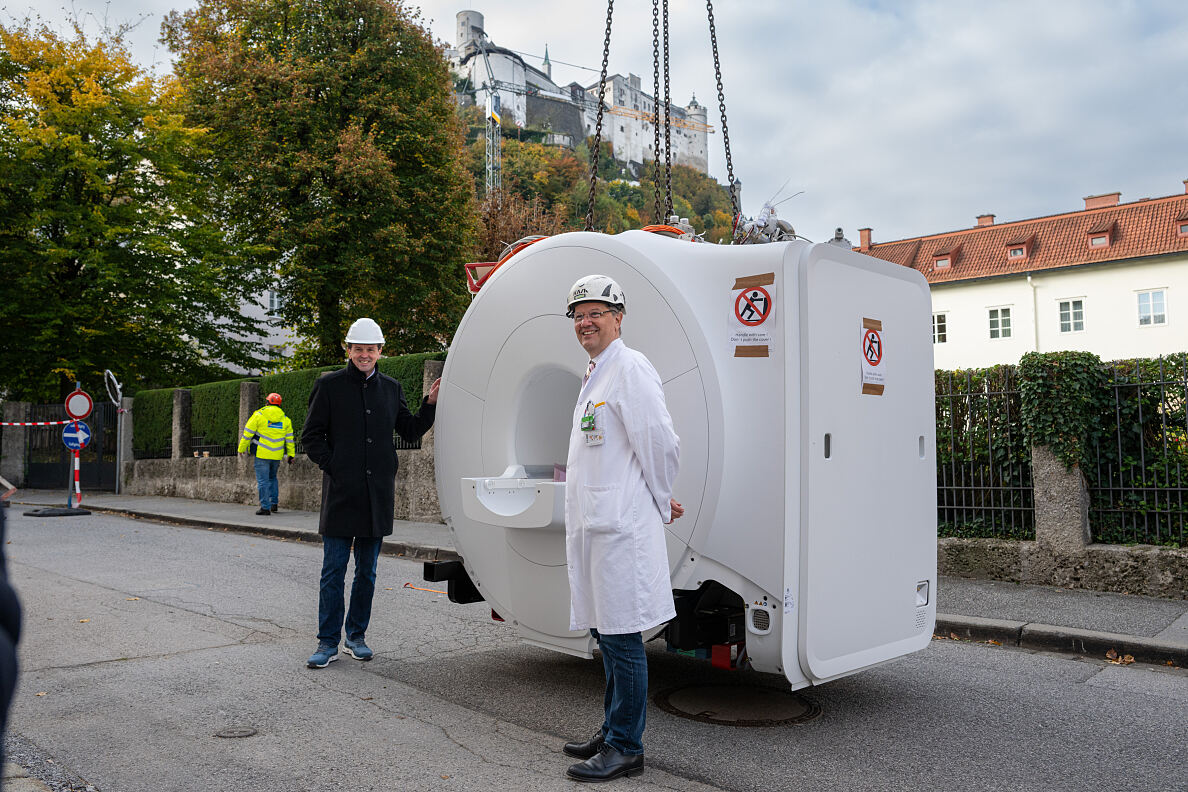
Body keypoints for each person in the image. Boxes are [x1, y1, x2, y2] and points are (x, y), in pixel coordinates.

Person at [560, 275, 683, 783]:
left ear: (618, 317)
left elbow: (659, 441)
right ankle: (612, 730)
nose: (586, 322)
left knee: (622, 637)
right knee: (605, 634)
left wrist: (659, 496)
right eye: (579, 315)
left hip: (621, 527)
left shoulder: (629, 368)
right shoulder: (596, 372)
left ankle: (626, 745)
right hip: (597, 526)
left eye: (596, 313)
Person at [300, 317, 440, 669]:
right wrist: (334, 466)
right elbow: (311, 436)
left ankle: (356, 636)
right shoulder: (328, 385)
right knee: (333, 570)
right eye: (358, 349)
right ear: (348, 350)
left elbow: (409, 432)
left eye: (371, 349)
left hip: (376, 493)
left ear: (380, 351)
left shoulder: (391, 389)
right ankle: (327, 641)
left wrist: (431, 404)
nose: (364, 355)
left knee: (367, 571)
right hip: (341, 493)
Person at [238, 392, 296, 516]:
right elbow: (290, 439)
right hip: (277, 455)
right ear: (279, 404)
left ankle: (265, 507)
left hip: (262, 454)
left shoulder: (258, 415)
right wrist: (291, 455)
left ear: (267, 402)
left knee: (263, 481)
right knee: (272, 478)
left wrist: (241, 448)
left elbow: (247, 433)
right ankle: (273, 503)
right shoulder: (285, 419)